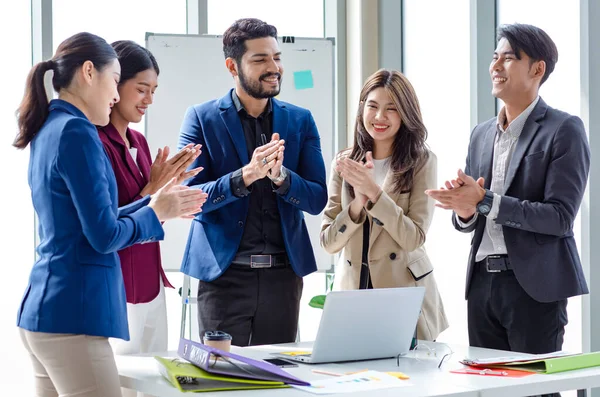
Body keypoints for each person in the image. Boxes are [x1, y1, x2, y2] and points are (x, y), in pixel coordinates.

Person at [14, 32, 207, 397]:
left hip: (44, 313)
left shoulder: (49, 127)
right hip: (74, 317)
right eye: (115, 81)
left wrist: (156, 204)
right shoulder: (78, 131)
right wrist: (155, 210)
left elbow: (92, 219)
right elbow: (103, 236)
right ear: (89, 72)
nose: (116, 95)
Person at [426, 23, 590, 388]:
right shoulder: (481, 134)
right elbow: (472, 217)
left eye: (509, 58)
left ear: (537, 69)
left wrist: (485, 201)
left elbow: (560, 218)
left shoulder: (565, 129)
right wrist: (464, 209)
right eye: (494, 57)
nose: (495, 65)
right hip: (483, 284)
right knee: (487, 389)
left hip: (533, 286)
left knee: (534, 392)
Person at [177, 18, 327, 347]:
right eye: (260, 59)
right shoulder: (201, 119)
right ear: (233, 65)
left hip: (283, 279)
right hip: (224, 277)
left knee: (276, 382)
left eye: (276, 57)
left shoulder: (300, 120)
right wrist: (246, 175)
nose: (273, 67)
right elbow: (188, 197)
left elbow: (317, 200)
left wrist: (282, 178)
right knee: (223, 381)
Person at [96, 40, 202, 397]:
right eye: (141, 89)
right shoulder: (95, 142)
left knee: (155, 384)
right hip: (117, 285)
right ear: (114, 84)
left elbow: (148, 214)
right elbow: (110, 220)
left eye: (154, 91)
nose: (148, 100)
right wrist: (156, 191)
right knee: (120, 384)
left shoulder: (139, 143)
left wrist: (173, 201)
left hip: (151, 283)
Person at [320, 69, 448, 341]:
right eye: (373, 106)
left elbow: (413, 237)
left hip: (402, 290)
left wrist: (375, 194)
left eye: (392, 109)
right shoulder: (344, 163)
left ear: (406, 114)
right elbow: (329, 242)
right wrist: (357, 204)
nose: (379, 117)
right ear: (361, 109)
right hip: (354, 292)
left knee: (408, 379)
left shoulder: (422, 161)